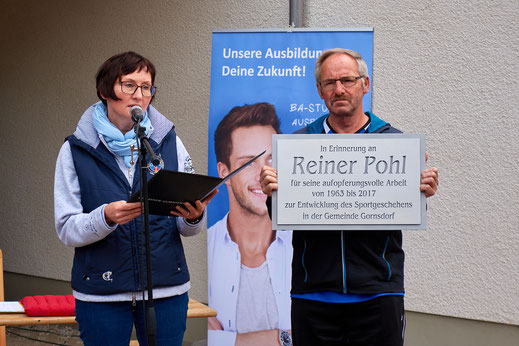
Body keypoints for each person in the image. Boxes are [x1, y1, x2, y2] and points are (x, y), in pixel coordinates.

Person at [260, 48, 439, 346]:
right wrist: (271, 192)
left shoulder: (394, 143)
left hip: (379, 292)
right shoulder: (298, 145)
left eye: (347, 80)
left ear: (365, 84)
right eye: (329, 83)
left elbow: (406, 205)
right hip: (313, 293)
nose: (339, 89)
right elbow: (281, 214)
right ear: (319, 90)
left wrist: (422, 189)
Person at [54, 51, 216, 346]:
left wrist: (193, 216)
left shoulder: (168, 142)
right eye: (128, 85)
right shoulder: (76, 149)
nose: (139, 95)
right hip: (101, 291)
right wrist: (104, 218)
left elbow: (187, 229)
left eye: (146, 87)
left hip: (165, 288)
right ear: (105, 91)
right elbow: (66, 228)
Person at [207, 103, 293, 345]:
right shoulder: (209, 246)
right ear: (224, 171)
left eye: (271, 159)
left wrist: (232, 340)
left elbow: (317, 331)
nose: (264, 173)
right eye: (249, 162)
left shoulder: (305, 247)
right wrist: (281, 337)